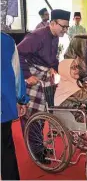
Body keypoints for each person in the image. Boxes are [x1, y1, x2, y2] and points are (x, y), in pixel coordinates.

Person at [17, 9, 70, 163]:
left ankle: (38, 146)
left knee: (42, 116)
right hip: (33, 80)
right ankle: (36, 152)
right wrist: (27, 75)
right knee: (31, 116)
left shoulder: (55, 37)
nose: (65, 30)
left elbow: (52, 61)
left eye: (67, 27)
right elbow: (17, 53)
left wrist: (67, 72)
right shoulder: (37, 36)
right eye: (63, 27)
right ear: (53, 23)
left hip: (45, 79)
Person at [1, 32, 30, 180]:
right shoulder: (7, 41)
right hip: (3, 105)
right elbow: (17, 74)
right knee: (5, 148)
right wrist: (21, 99)